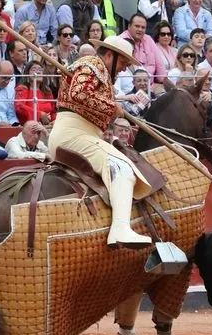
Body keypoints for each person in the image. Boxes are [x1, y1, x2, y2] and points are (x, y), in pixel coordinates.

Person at [48, 35, 153, 248]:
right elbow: (79, 93)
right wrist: (111, 107)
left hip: (81, 133)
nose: (124, 68)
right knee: (121, 167)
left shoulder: (100, 72)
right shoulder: (92, 64)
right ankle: (120, 229)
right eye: (123, 62)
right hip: (73, 134)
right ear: (109, 56)